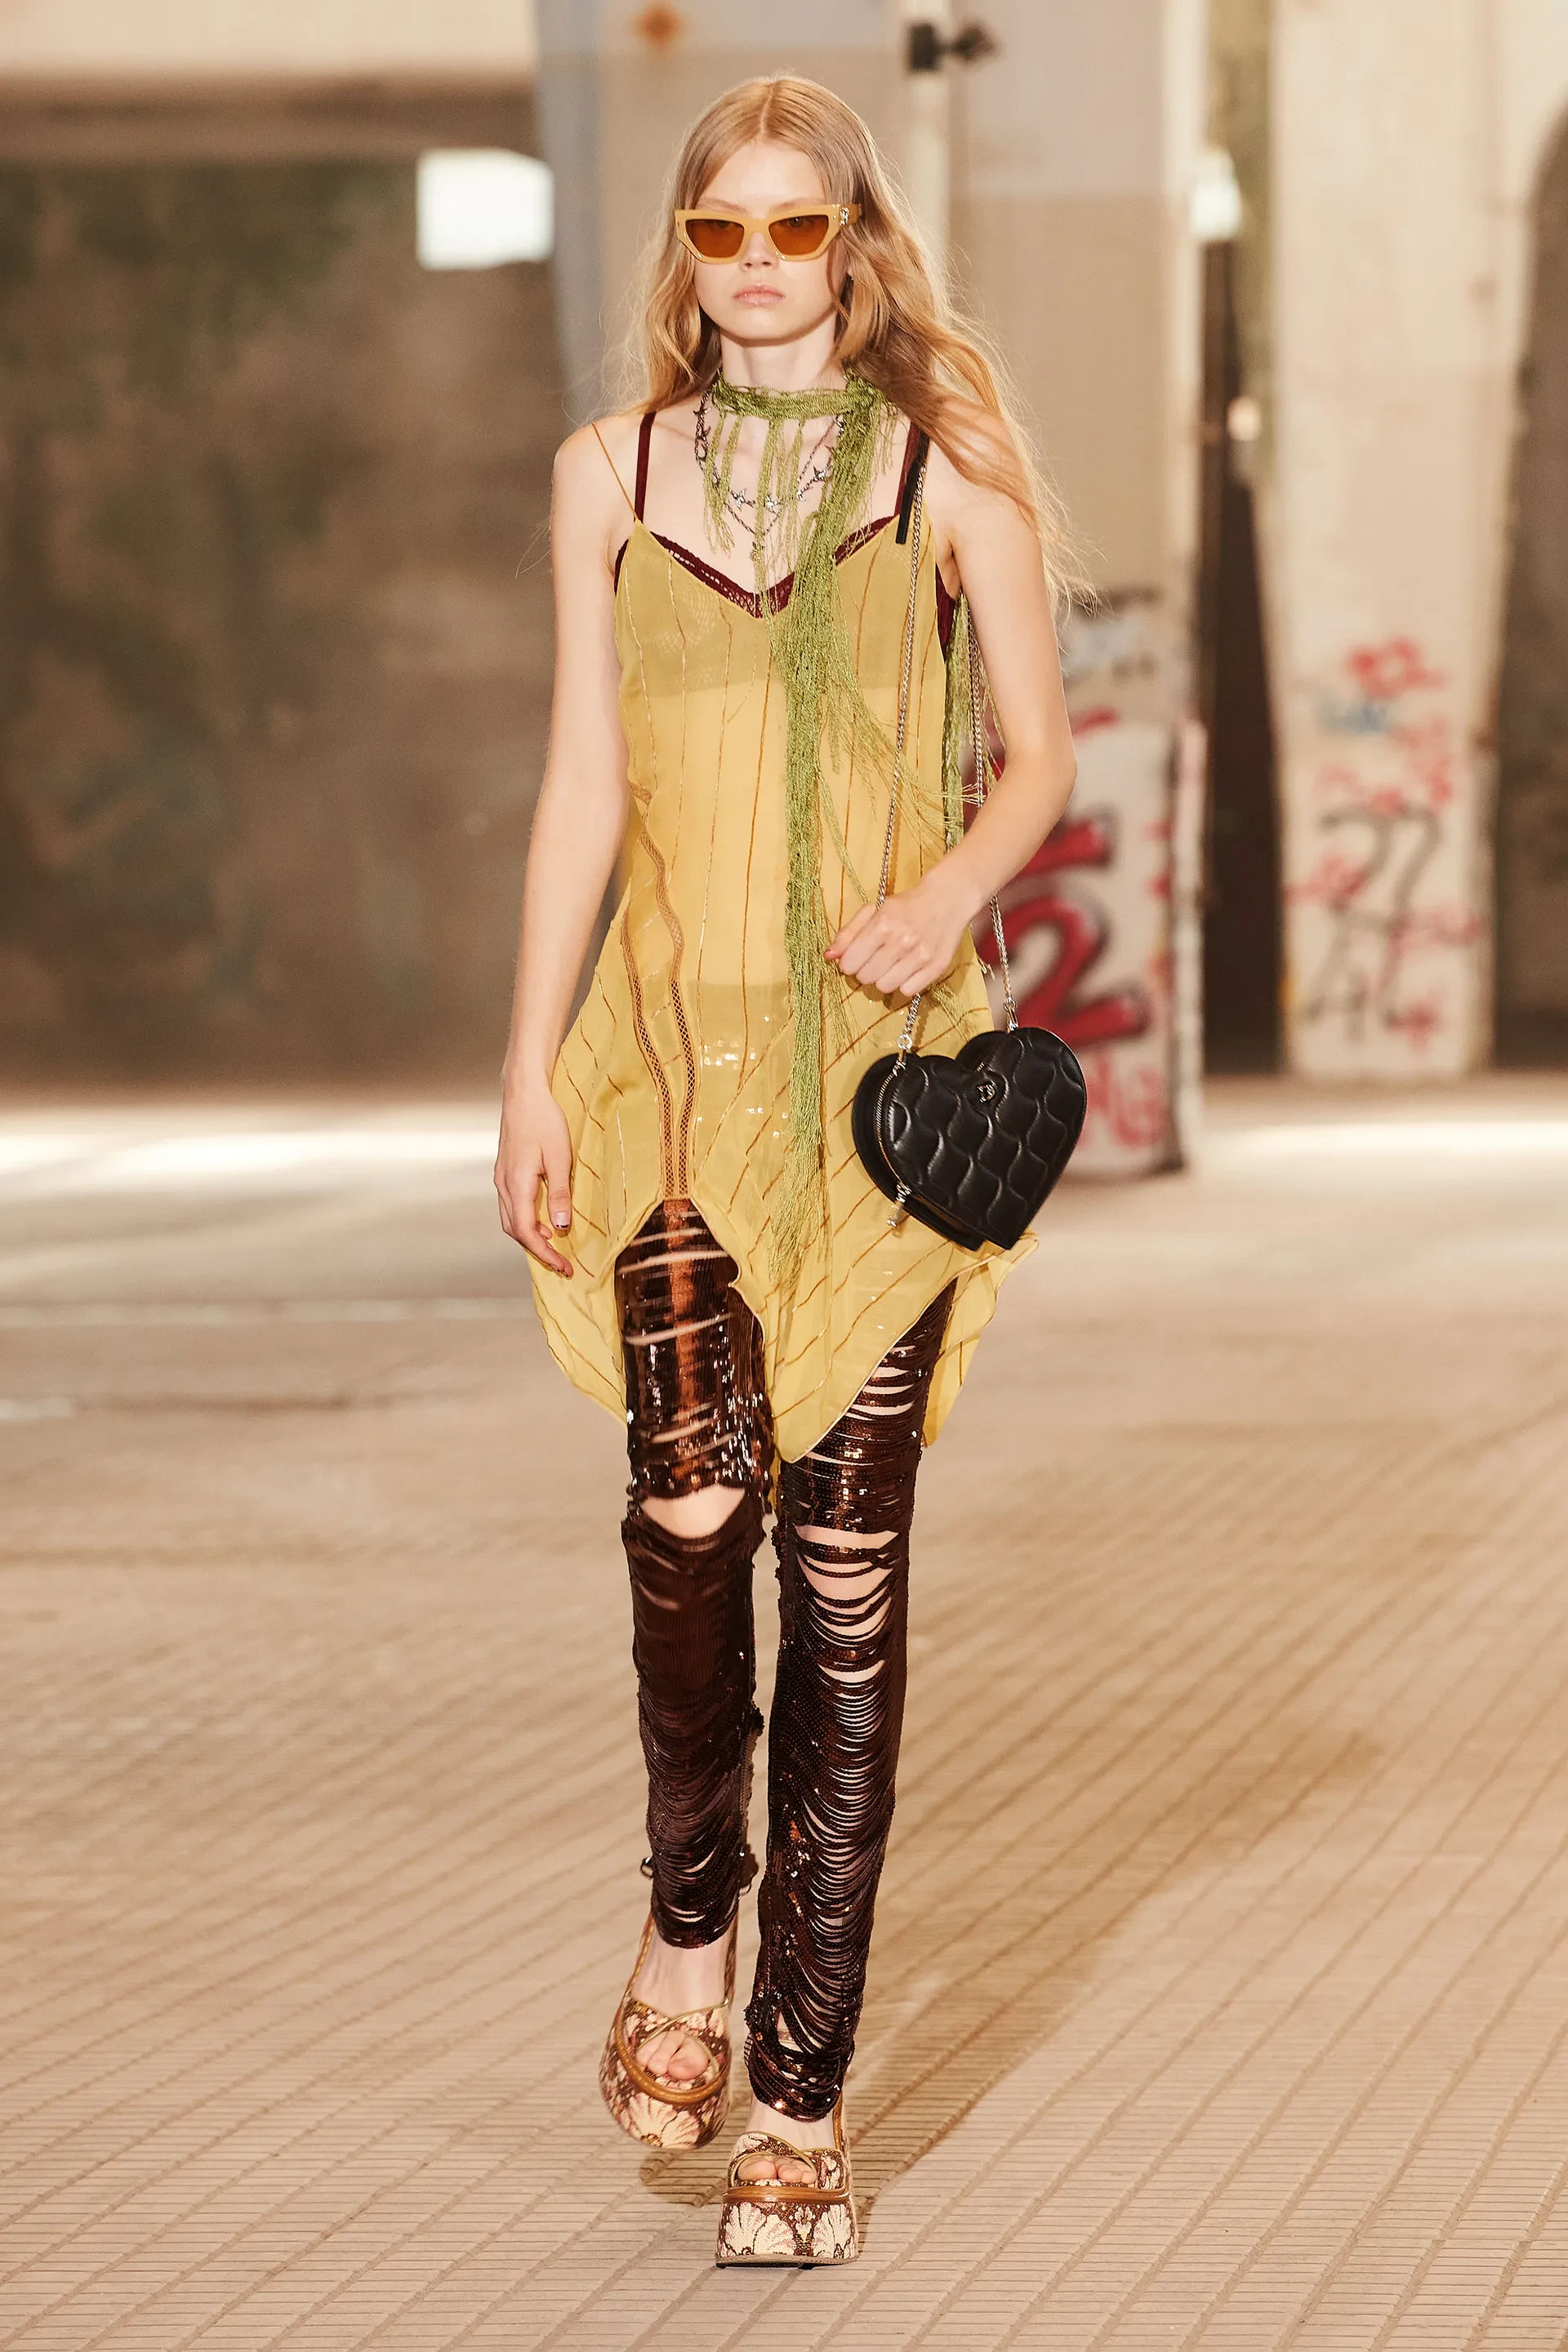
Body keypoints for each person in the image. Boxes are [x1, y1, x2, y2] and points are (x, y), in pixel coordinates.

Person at [494, 73, 1078, 2266]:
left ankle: (802, 2097)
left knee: (842, 1574)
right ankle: (685, 1925)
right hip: (662, 1065)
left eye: (792, 231)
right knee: (688, 1512)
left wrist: (949, 897)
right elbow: (582, 785)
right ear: (684, 250)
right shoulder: (607, 476)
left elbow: (1040, 758)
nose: (754, 268)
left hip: (875, 1088)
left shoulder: (944, 469)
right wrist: (523, 1071)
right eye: (719, 232)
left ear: (855, 244)